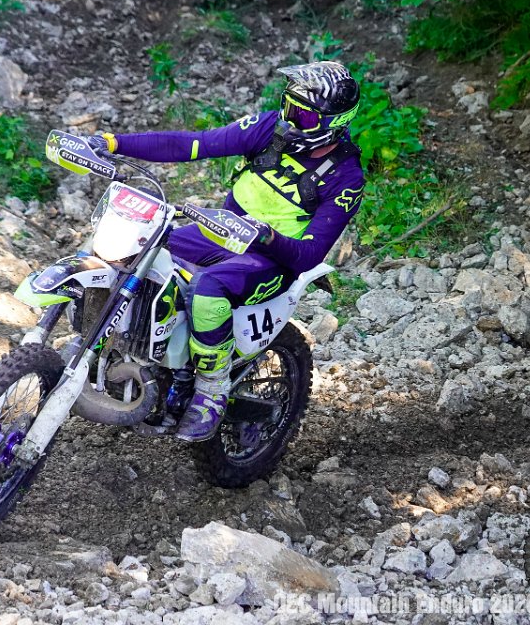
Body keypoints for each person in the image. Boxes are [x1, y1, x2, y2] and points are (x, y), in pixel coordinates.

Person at [88, 61, 366, 442]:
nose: (289, 119)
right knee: (138, 248)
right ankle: (114, 347)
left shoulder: (346, 177)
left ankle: (212, 389)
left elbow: (310, 254)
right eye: (288, 106)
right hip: (221, 233)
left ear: (333, 123)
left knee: (208, 289)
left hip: (272, 258)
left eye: (302, 115)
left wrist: (266, 235)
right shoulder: (270, 128)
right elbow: (194, 144)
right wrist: (114, 143)